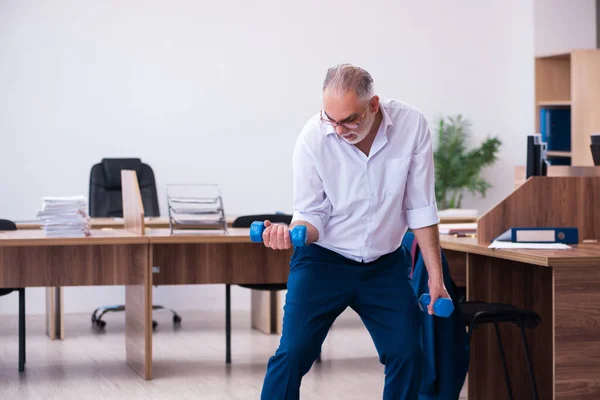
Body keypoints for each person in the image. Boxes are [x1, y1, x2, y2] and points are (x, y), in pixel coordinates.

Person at [259, 64, 450, 400]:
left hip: (384, 265)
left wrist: (436, 278)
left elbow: (421, 206)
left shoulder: (411, 125)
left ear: (373, 105)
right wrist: (291, 233)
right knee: (293, 353)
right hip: (323, 262)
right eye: (329, 118)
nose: (338, 128)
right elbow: (311, 214)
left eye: (348, 119)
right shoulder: (313, 139)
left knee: (407, 353)